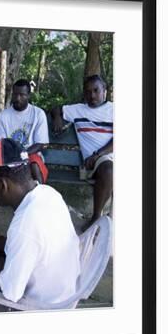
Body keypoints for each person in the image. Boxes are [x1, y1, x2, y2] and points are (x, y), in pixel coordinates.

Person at [0, 139, 80, 312]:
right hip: (64, 292)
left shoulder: (25, 225)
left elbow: (11, 294)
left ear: (2, 185)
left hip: (42, 307)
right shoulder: (49, 193)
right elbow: (36, 244)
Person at [0, 79, 50, 235]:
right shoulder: (4, 115)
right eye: (15, 94)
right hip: (7, 156)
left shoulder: (38, 114)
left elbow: (41, 144)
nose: (18, 98)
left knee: (34, 167)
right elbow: (1, 143)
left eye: (22, 95)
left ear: (28, 95)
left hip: (30, 155)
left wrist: (23, 155)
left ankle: (39, 213)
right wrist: (11, 158)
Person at [51, 74, 113, 229]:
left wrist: (98, 154)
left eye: (96, 90)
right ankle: (96, 217)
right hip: (99, 163)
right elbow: (56, 109)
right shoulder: (77, 110)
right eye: (88, 92)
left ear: (104, 90)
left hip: (103, 155)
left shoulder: (113, 110)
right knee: (109, 170)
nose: (92, 95)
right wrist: (57, 117)